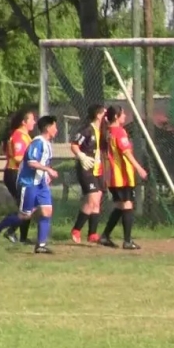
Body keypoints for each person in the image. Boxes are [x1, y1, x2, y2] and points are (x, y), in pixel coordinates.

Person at [0, 116, 60, 254]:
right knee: (24, 215)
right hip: (29, 184)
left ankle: (40, 245)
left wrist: (46, 176)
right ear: (47, 128)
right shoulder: (38, 142)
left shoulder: (47, 144)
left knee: (47, 211)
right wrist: (48, 170)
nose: (56, 129)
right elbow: (31, 162)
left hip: (41, 184)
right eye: (55, 126)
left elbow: (43, 163)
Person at [99, 106, 148, 250]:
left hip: (112, 176)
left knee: (120, 206)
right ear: (116, 117)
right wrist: (139, 168)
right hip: (122, 176)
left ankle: (105, 236)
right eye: (123, 113)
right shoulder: (119, 132)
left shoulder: (107, 132)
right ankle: (127, 241)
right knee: (127, 205)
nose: (125, 116)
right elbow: (126, 152)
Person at [0, 108, 36, 244]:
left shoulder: (25, 135)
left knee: (29, 205)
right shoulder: (18, 135)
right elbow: (19, 157)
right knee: (27, 206)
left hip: (21, 174)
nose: (34, 122)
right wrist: (36, 164)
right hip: (14, 173)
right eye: (32, 119)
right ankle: (2, 228)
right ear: (24, 122)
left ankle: (20, 237)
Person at [69, 104, 107, 244]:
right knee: (91, 201)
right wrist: (81, 156)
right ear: (98, 115)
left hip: (97, 170)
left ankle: (92, 234)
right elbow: (74, 144)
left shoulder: (101, 130)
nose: (106, 115)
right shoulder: (87, 130)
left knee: (97, 201)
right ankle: (76, 230)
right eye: (104, 112)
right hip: (86, 169)